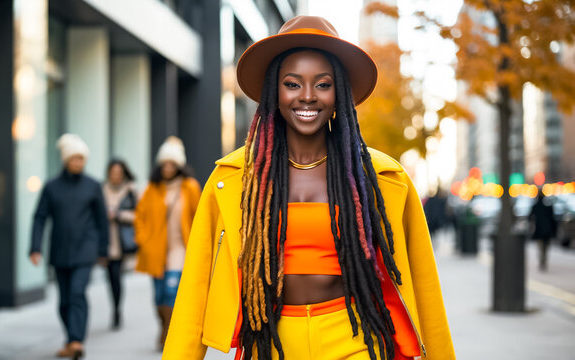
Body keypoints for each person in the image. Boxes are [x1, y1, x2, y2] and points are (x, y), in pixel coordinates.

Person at [163, 16, 455, 360]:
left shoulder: (381, 176)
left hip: (357, 339)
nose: (306, 97)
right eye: (292, 84)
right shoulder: (234, 176)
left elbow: (424, 285)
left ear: (339, 93)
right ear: (275, 90)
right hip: (270, 342)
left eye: (322, 84)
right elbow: (194, 289)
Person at [29, 134, 109, 360]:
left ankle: (76, 341)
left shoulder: (93, 186)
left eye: (82, 159)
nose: (78, 163)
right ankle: (70, 339)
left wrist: (103, 250)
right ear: (66, 160)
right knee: (64, 301)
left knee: (77, 293)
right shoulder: (51, 187)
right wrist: (35, 248)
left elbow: (102, 220)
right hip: (60, 251)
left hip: (85, 250)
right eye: (75, 159)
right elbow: (40, 217)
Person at [133, 136, 201, 350]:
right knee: (158, 294)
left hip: (180, 249)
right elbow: (140, 217)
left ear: (179, 165)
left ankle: (168, 333)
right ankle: (163, 326)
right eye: (165, 163)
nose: (168, 168)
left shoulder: (189, 187)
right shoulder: (152, 188)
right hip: (156, 249)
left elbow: (199, 215)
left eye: (172, 164)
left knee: (172, 292)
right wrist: (142, 240)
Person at [102, 159, 138, 330]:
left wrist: (119, 215)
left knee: (116, 277)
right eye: (112, 172)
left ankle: (116, 311)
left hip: (122, 242)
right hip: (105, 242)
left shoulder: (130, 190)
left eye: (118, 172)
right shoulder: (101, 189)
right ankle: (115, 308)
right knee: (110, 278)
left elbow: (139, 216)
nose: (115, 175)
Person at [530, 191, 557, 271]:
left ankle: (542, 261)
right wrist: (554, 231)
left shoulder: (535, 206)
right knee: (545, 247)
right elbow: (553, 220)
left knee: (541, 247)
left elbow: (530, 218)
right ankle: (543, 260)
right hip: (547, 231)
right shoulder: (549, 207)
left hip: (539, 231)